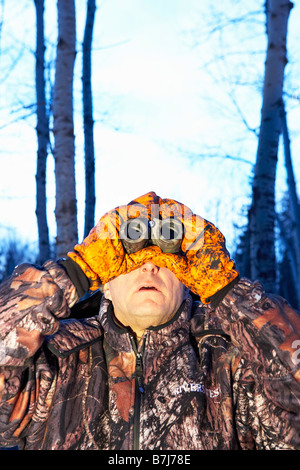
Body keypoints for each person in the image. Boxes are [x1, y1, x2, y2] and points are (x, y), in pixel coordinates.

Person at [0, 191, 299, 450]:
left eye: (165, 260)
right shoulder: (56, 356)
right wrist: (76, 270)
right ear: (104, 282)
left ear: (188, 282)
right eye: (134, 261)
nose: (150, 268)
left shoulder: (233, 357)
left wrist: (227, 289)